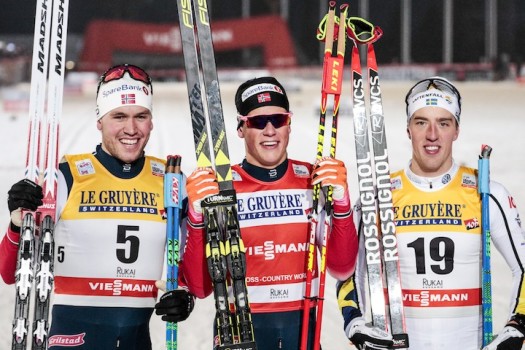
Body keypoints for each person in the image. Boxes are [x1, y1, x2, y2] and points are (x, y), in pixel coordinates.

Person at [0, 64, 193, 349]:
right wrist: (17, 224)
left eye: (141, 116)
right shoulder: (66, 175)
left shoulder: (170, 180)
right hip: (73, 340)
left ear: (151, 121)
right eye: (119, 116)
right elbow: (9, 272)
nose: (131, 129)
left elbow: (190, 266)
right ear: (100, 121)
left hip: (137, 341)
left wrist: (185, 295)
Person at [157, 76, 359, 349]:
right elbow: (200, 288)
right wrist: (195, 216)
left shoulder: (314, 181)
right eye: (256, 122)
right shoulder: (220, 188)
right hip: (238, 337)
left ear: (289, 123)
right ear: (240, 128)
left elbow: (342, 267)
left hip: (303, 338)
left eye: (278, 119)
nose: (269, 130)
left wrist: (343, 203)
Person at [337, 76, 525, 349]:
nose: (432, 135)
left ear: (456, 130)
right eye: (421, 122)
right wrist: (354, 322)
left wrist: (517, 326)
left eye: (444, 123)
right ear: (408, 129)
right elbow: (349, 271)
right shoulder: (378, 196)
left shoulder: (487, 193)